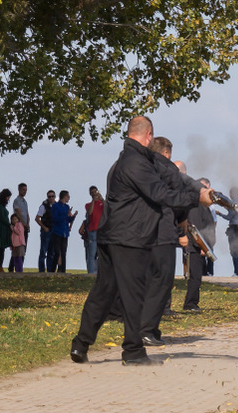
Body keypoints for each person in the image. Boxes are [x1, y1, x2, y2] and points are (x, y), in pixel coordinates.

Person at [70, 116, 212, 366]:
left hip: (115, 235)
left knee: (104, 292)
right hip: (128, 237)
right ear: (149, 135)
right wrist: (196, 199)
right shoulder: (135, 162)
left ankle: (80, 345)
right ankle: (133, 351)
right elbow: (160, 193)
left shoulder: (133, 159)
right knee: (133, 294)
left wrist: (198, 189)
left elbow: (172, 175)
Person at [138, 136, 201, 346]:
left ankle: (147, 328)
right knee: (162, 282)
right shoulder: (168, 170)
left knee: (146, 280)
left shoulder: (141, 167)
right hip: (163, 230)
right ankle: (147, 330)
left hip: (141, 230)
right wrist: (182, 224)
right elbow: (179, 197)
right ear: (166, 153)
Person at [182, 177, 216, 312]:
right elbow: (196, 228)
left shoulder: (203, 206)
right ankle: (190, 303)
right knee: (195, 276)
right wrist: (202, 246)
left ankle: (192, 302)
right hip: (195, 246)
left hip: (199, 245)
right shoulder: (196, 206)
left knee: (197, 276)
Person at [216, 186, 238, 276]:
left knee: (234, 250)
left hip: (234, 227)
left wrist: (220, 214)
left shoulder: (233, 203)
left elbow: (229, 216)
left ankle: (237, 272)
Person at [50, 190, 77, 273]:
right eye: (68, 196)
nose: (69, 198)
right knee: (57, 252)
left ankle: (63, 271)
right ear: (64, 196)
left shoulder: (67, 207)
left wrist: (72, 217)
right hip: (57, 232)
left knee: (63, 252)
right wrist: (66, 215)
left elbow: (67, 219)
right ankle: (52, 270)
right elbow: (55, 219)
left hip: (65, 233)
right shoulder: (55, 206)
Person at [8, 183, 29, 272]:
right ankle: (12, 267)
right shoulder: (17, 201)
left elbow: (27, 213)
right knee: (16, 249)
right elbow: (18, 213)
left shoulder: (25, 202)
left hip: (24, 227)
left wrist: (28, 223)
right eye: (23, 190)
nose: (24, 192)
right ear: (19, 189)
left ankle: (20, 267)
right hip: (19, 226)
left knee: (23, 249)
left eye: (26, 190)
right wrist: (24, 224)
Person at [0, 188, 12, 276]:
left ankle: (0, 266)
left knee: (2, 249)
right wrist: (9, 224)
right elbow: (2, 218)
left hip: (4, 230)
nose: (8, 199)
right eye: (7, 197)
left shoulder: (2, 206)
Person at [84, 186, 104, 274]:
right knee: (91, 254)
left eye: (95, 192)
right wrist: (93, 201)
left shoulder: (101, 203)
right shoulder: (88, 205)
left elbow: (108, 208)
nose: (94, 194)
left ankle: (99, 271)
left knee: (101, 254)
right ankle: (91, 272)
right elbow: (90, 212)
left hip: (101, 231)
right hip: (92, 231)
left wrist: (101, 199)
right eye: (92, 192)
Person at [35, 190, 56, 272]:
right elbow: (37, 218)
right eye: (49, 196)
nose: (51, 198)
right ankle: (42, 270)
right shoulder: (43, 206)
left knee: (52, 252)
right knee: (43, 252)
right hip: (46, 232)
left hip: (54, 231)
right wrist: (44, 227)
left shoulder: (56, 206)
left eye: (52, 196)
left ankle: (50, 270)